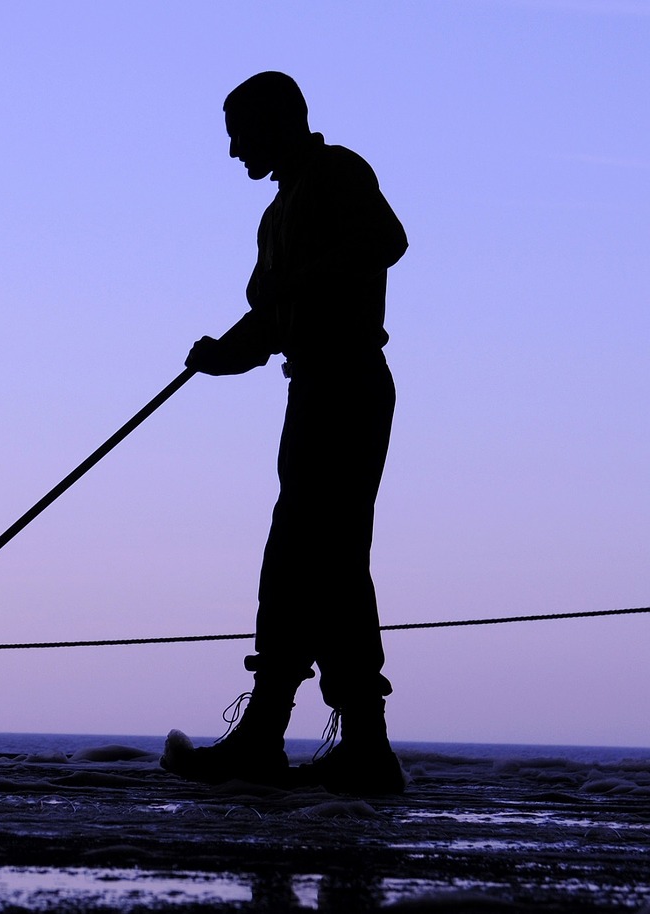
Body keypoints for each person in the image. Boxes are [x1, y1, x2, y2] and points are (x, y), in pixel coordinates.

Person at [160, 72, 408, 795]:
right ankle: (317, 741)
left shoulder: (338, 172)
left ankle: (321, 742)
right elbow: (270, 324)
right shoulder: (276, 215)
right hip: (311, 390)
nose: (235, 151)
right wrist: (219, 354)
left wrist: (294, 284)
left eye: (242, 134)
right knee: (306, 559)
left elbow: (384, 242)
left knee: (318, 556)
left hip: (349, 385)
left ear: (277, 122)